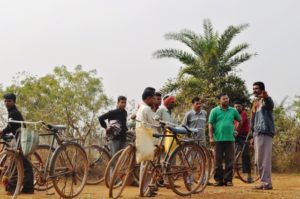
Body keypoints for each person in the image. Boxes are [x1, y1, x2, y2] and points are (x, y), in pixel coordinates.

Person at [0, 93, 34, 194]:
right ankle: (21, 187)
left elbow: (10, 127)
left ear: (14, 102)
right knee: (20, 162)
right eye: (5, 101)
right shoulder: (12, 111)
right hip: (19, 138)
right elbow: (12, 126)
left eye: (9, 101)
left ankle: (28, 188)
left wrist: (2, 132)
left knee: (24, 163)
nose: (6, 103)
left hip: (22, 138)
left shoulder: (14, 112)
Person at [208, 93, 241, 186]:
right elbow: (210, 124)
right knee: (217, 161)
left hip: (230, 139)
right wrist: (210, 137)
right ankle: (218, 180)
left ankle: (228, 180)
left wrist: (236, 131)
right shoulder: (214, 111)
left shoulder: (233, 110)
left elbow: (240, 120)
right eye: (224, 99)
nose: (226, 100)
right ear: (220, 100)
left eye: (227, 98)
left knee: (230, 160)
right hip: (218, 139)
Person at [251, 82, 275, 190]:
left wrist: (266, 97)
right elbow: (253, 120)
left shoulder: (266, 101)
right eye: (253, 89)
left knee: (264, 160)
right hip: (257, 134)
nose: (254, 90)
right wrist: (252, 135)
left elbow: (270, 104)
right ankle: (263, 182)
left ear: (262, 90)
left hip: (265, 133)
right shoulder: (255, 103)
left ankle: (266, 183)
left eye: (256, 88)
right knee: (258, 160)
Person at [135, 87, 158, 197]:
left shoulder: (141, 107)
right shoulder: (147, 109)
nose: (154, 100)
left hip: (141, 135)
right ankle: (144, 190)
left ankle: (147, 188)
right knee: (146, 165)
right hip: (146, 137)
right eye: (153, 98)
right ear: (148, 98)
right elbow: (155, 123)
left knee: (145, 165)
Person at [233, 100, 252, 183]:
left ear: (242, 107)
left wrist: (236, 132)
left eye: (239, 107)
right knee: (231, 154)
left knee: (245, 154)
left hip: (243, 135)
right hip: (235, 135)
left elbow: (239, 123)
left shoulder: (243, 113)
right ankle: (231, 173)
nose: (237, 108)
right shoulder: (232, 114)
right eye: (236, 107)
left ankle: (249, 176)